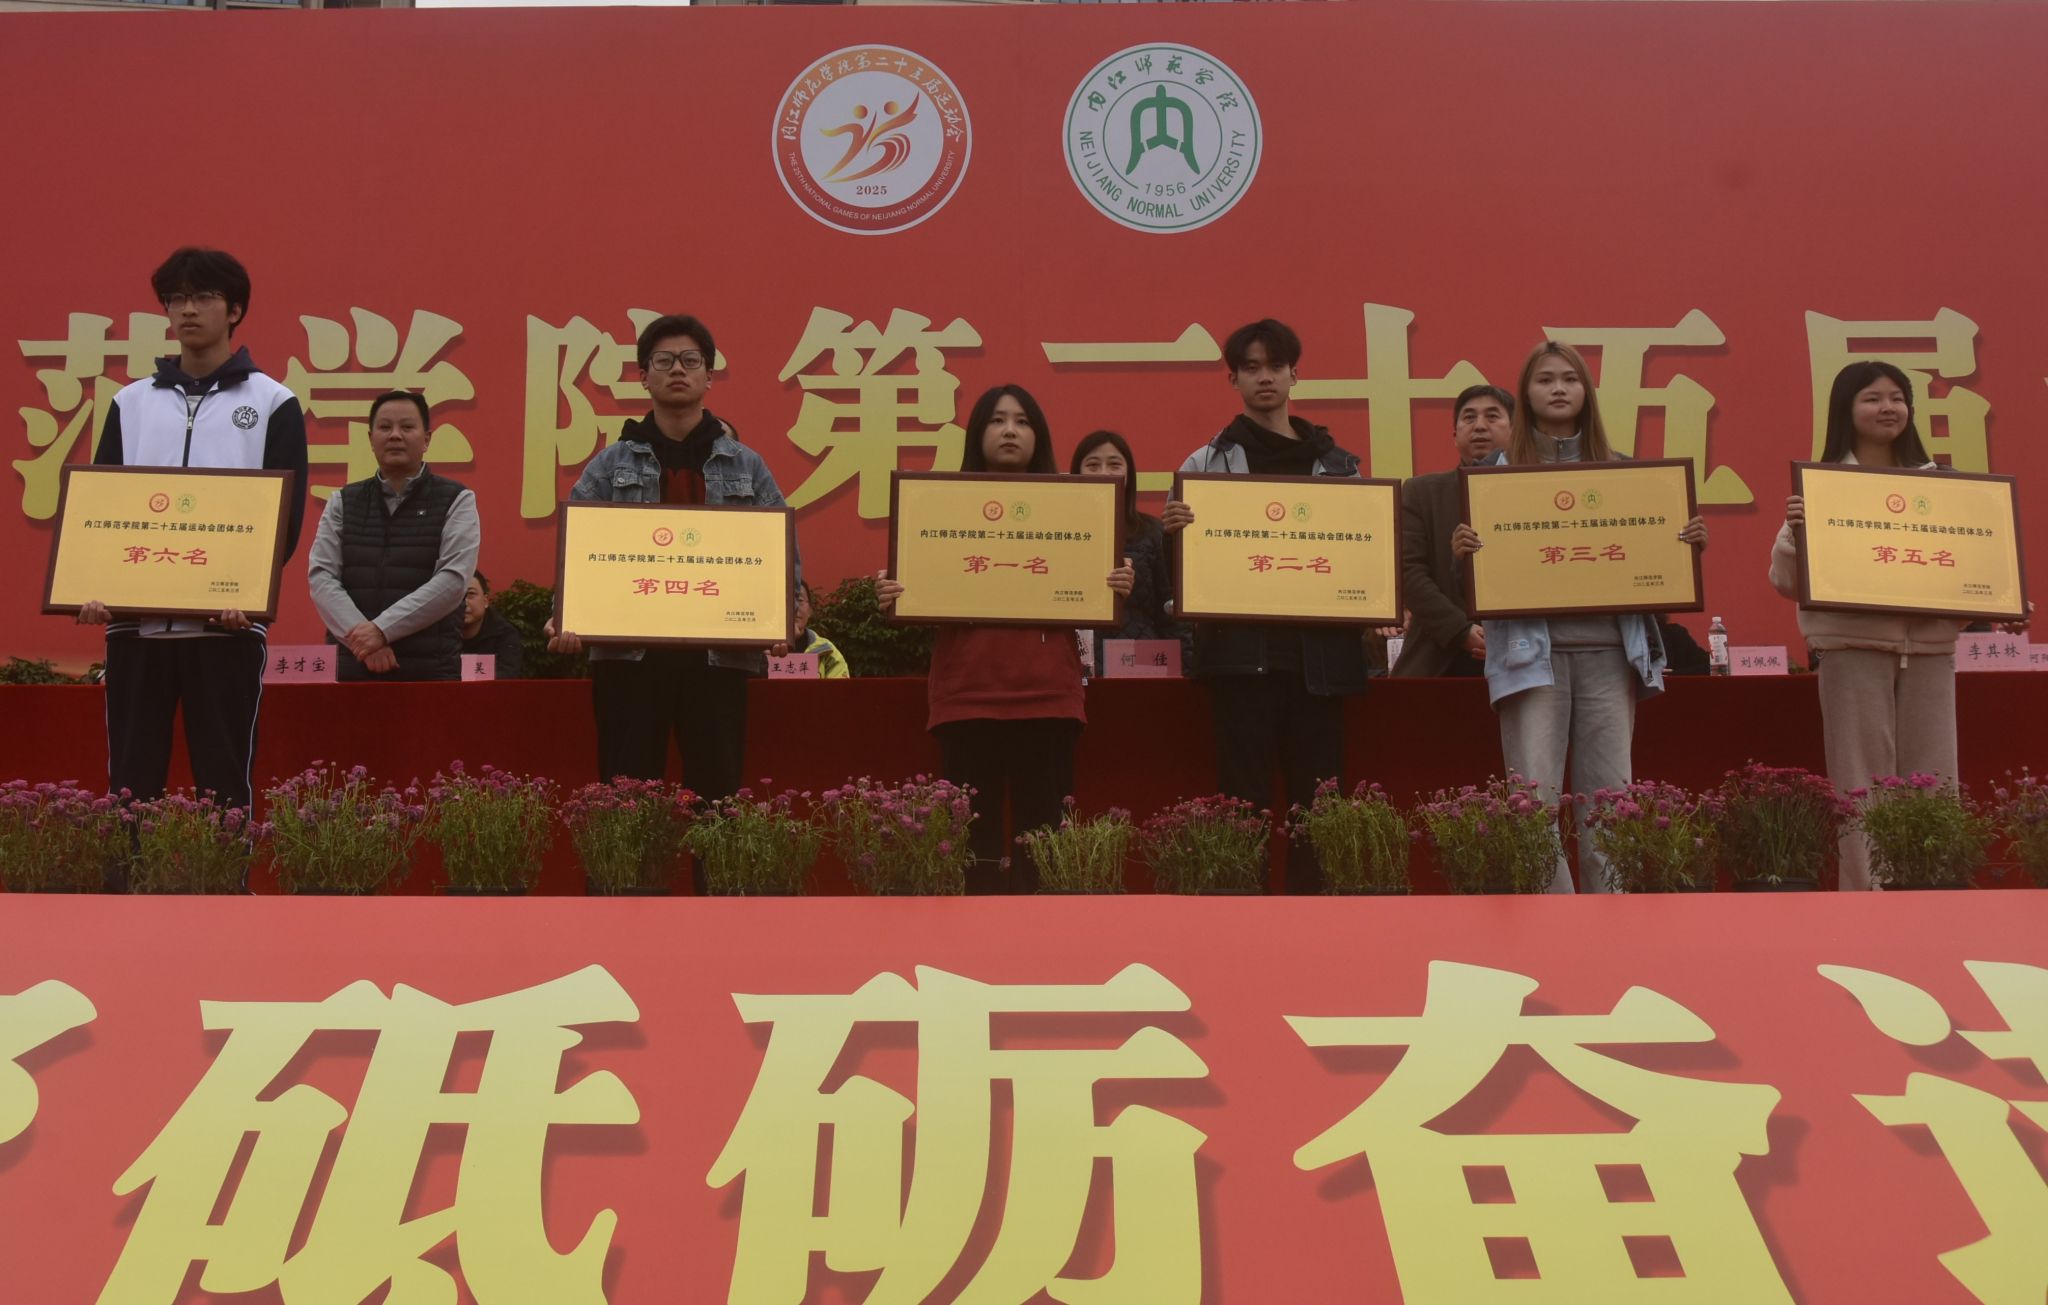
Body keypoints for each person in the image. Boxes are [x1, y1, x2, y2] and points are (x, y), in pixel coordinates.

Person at [1452, 341, 1709, 893]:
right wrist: (1464, 553)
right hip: (1528, 659)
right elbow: (1476, 579)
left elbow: (1655, 569)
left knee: (1611, 804)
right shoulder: (1493, 477)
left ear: (1586, 392)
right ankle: (1550, 922)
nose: (1558, 389)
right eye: (1545, 379)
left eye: (1569, 379)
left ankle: (1610, 919)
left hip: (1611, 653)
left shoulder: (1623, 472)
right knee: (1532, 804)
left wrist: (1680, 547)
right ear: (1526, 393)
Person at [1768, 360, 2029, 890]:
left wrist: (2003, 594)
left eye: (1897, 398)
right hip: (1851, 649)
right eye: (1872, 398)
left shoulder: (1944, 486)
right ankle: (1866, 897)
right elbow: (1786, 582)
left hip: (1930, 651)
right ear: (1845, 410)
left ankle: (1936, 891)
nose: (1887, 408)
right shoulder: (1823, 488)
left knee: (1936, 780)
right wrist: (1796, 533)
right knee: (1858, 784)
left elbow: (1966, 570)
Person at [79, 247, 308, 819]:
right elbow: (102, 507)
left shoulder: (273, 402)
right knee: (130, 787)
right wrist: (94, 585)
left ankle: (225, 878)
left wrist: (245, 593)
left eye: (203, 297)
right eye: (176, 298)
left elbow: (284, 519)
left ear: (235, 310)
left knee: (223, 786)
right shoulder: (130, 402)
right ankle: (126, 879)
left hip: (225, 629)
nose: (187, 310)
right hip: (135, 629)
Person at [875, 385, 1133, 893]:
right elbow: (917, 590)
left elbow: (1095, 596)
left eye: (1022, 421)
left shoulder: (1076, 509)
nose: (1010, 431)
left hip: (1047, 695)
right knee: (976, 850)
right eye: (997, 420)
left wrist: (1115, 586)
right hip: (968, 695)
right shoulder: (939, 507)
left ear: (1039, 436)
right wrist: (894, 595)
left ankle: (1044, 944)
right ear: (977, 434)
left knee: (1045, 848)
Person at [545, 314, 797, 796]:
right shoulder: (609, 464)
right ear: (644, 376)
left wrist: (783, 619)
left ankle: (715, 850)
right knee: (627, 797)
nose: (677, 369)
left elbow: (780, 551)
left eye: (690, 360)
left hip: (719, 657)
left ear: (708, 375)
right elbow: (577, 550)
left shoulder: (747, 465)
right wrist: (564, 616)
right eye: (664, 361)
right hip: (629, 659)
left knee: (718, 796)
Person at [1159, 319, 1369, 894]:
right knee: (1242, 802)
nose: (1265, 377)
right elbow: (1179, 579)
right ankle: (1241, 917)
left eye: (1275, 366)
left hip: (1320, 663)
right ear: (1234, 379)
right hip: (1239, 662)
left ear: (1295, 375)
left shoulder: (1341, 468)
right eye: (1250, 368)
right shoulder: (1203, 465)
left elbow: (1363, 558)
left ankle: (1315, 919)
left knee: (1319, 804)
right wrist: (1174, 536)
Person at [307, 391, 478, 682]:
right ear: (371, 438)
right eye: (385, 427)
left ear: (427, 439)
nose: (395, 435)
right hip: (354, 667)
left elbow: (453, 580)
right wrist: (365, 642)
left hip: (430, 672)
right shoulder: (343, 501)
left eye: (407, 427)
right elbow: (322, 577)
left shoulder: (457, 500)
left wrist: (381, 630)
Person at [1390, 383, 1513, 677]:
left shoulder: (1534, 492)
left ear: (1516, 431)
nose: (1480, 426)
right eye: (1469, 417)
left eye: (1492, 416)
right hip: (1438, 657)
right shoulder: (1422, 492)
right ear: (1454, 435)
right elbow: (1409, 573)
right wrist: (1460, 630)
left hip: (1523, 658)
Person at [1070, 429, 1185, 672]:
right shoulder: (1061, 532)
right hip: (1072, 664)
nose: (1104, 473)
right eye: (1092, 465)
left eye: (1114, 465)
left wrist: (1185, 668)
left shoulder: (1153, 533)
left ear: (1129, 475)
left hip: (1139, 665)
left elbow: (1171, 610)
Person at [459, 570, 525, 679]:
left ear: (485, 601)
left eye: (471, 594)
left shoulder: (505, 635)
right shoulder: (439, 631)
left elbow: (507, 675)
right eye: (457, 596)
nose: (464, 603)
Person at [790, 584, 849, 678]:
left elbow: (840, 687)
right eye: (786, 600)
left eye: (800, 600)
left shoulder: (828, 652)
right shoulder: (764, 650)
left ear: (810, 610)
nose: (794, 606)